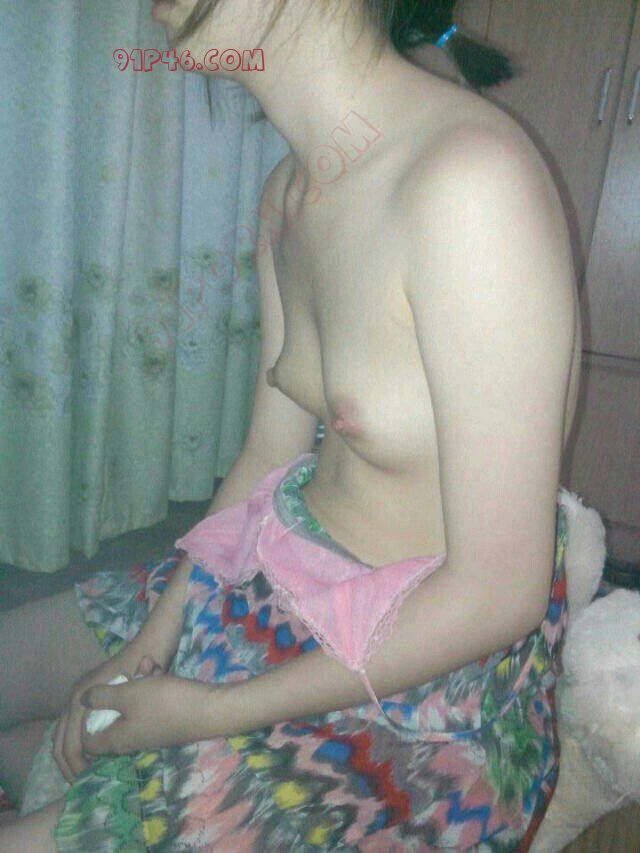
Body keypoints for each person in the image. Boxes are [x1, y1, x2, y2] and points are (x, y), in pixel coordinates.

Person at [0, 0, 582, 848]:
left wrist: (209, 711)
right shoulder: (288, 191)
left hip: (419, 688)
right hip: (276, 575)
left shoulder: (470, 185)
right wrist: (152, 639)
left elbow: (499, 592)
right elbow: (267, 456)